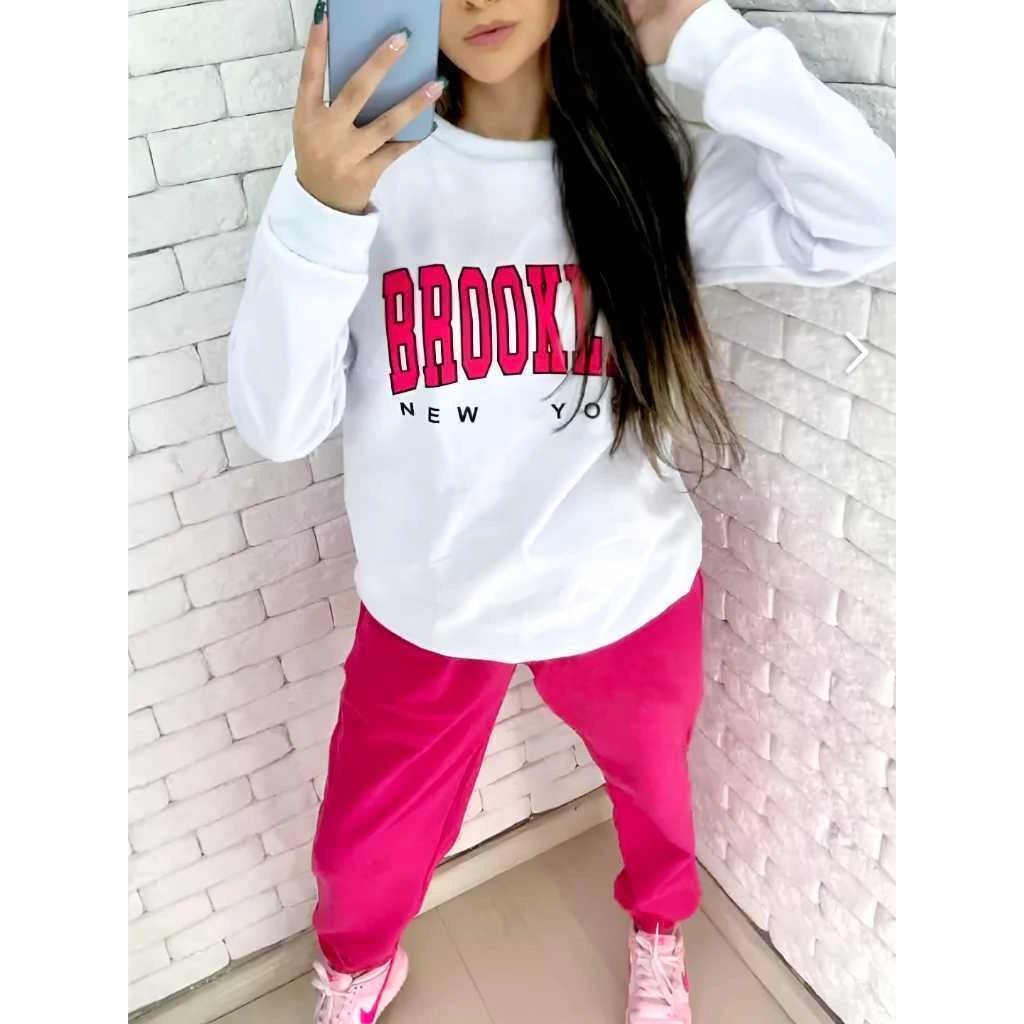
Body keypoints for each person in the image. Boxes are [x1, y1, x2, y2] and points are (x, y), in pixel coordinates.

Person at [227, 0, 895, 1020]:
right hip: (430, 600)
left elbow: (871, 218)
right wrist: (321, 208)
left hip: (621, 586)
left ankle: (659, 931)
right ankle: (362, 959)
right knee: (365, 840)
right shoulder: (360, 173)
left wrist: (699, 35)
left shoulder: (642, 172)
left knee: (654, 794)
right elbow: (279, 426)